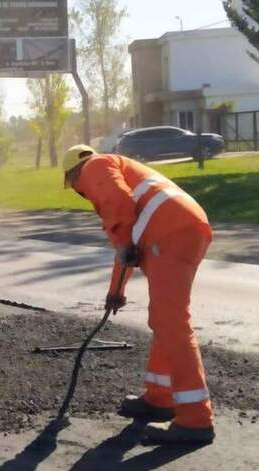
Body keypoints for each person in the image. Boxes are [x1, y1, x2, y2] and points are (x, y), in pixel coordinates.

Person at [62, 144, 215, 445]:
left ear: (74, 175)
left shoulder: (95, 167)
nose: (82, 193)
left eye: (75, 188)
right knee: (163, 316)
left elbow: (119, 209)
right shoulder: (123, 172)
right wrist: (115, 292)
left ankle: (196, 419)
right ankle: (160, 398)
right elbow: (126, 245)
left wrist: (122, 244)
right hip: (184, 225)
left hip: (171, 230)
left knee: (172, 321)